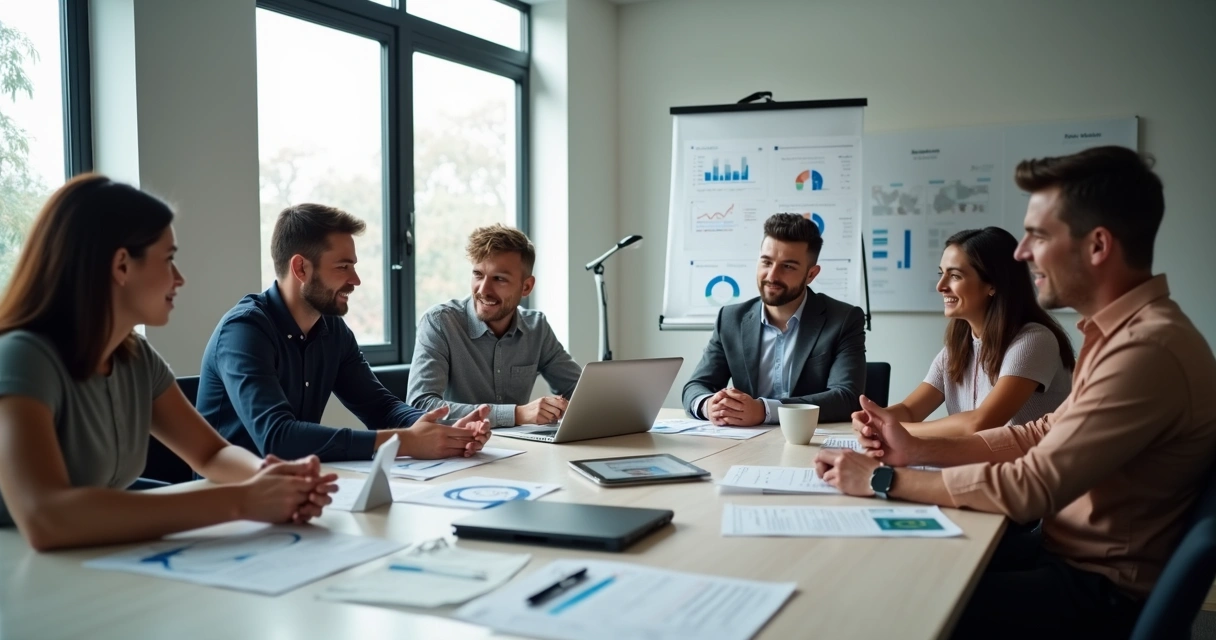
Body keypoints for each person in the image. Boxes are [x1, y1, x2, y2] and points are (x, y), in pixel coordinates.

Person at [814, 146, 1216, 638]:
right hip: (1061, 553)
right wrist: (916, 450)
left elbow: (1032, 487)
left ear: (1097, 246)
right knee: (897, 563)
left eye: (1038, 235)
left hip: (1096, 589)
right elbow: (1037, 433)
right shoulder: (1118, 336)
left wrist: (883, 479)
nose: (1022, 253)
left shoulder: (1145, 350)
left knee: (897, 597)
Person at [0, 174, 336, 551]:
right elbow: (45, 516)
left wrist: (272, 479)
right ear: (121, 265)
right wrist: (243, 501)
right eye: (169, 259)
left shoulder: (135, 356)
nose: (180, 279)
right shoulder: (22, 357)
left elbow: (211, 453)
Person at [197, 204, 490, 463]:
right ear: (300, 268)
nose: (355, 280)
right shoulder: (244, 331)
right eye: (343, 267)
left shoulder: (331, 328)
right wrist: (404, 441)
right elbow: (278, 438)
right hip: (228, 498)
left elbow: (380, 407)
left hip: (293, 486)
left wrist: (442, 430)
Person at [885, 227, 1074, 437]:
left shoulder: (1035, 341)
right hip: (978, 458)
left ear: (992, 285)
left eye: (954, 276)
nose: (940, 286)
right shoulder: (955, 350)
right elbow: (910, 410)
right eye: (941, 274)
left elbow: (980, 424)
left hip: (1035, 459)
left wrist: (893, 429)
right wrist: (873, 419)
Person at [682, 213, 866, 426]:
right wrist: (708, 405)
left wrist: (765, 410)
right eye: (766, 262)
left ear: (811, 274)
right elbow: (696, 386)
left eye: (788, 266)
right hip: (745, 440)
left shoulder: (843, 319)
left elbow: (846, 397)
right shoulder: (731, 319)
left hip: (809, 439)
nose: (771, 276)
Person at [407, 224, 581, 427]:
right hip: (458, 445)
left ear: (526, 287)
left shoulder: (536, 328)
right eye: (478, 274)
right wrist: (516, 414)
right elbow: (421, 406)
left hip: (520, 445)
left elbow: (579, 391)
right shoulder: (440, 323)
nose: (483, 290)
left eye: (499, 279)